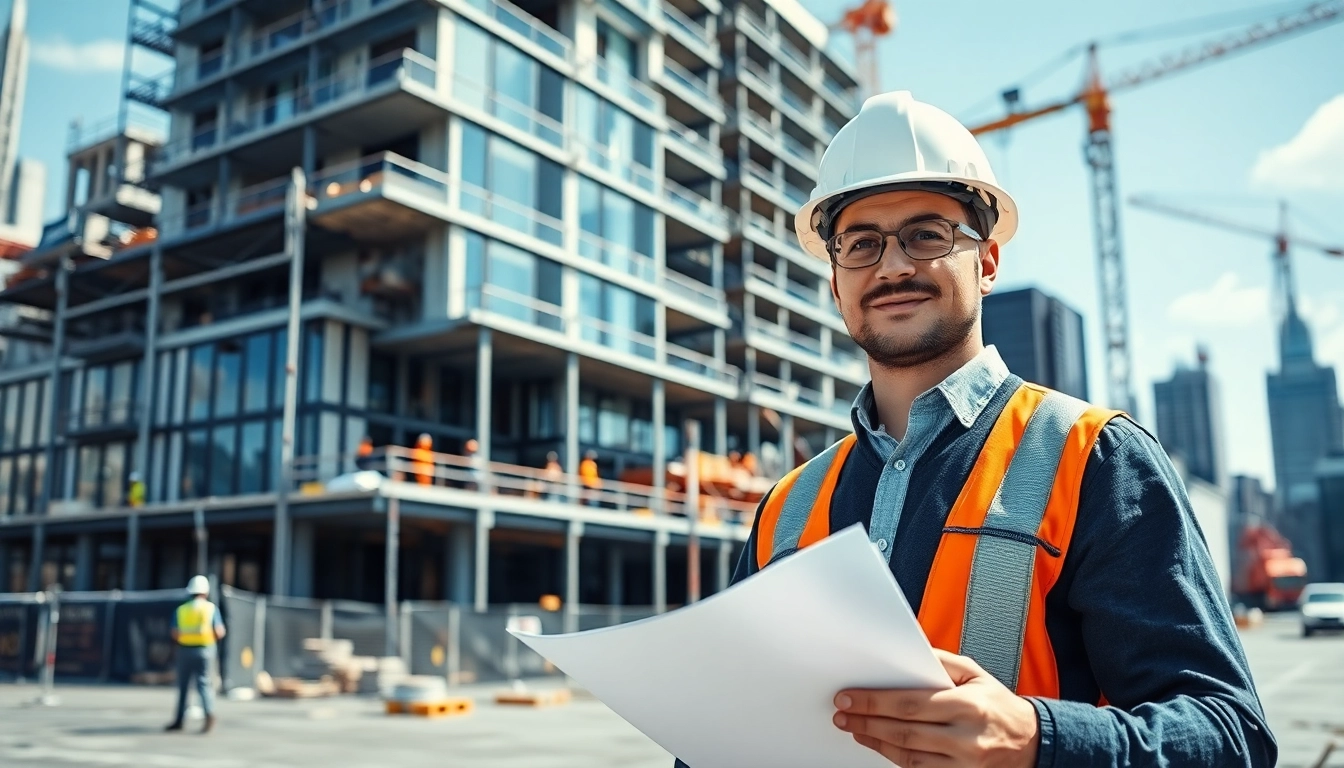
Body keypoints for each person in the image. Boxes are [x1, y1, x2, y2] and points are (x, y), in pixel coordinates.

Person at [674, 91, 1274, 767]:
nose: (893, 264)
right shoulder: (786, 508)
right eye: (861, 244)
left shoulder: (1095, 459)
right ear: (837, 284)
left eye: (926, 235)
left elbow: (1228, 736)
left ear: (987, 262)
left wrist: (1038, 740)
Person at [166, 575, 225, 734]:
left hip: (185, 650)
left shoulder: (182, 610)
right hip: (205, 649)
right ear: (205, 592)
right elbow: (220, 632)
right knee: (204, 683)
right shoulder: (211, 608)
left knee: (183, 686)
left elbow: (175, 633)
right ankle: (209, 713)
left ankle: (179, 720)